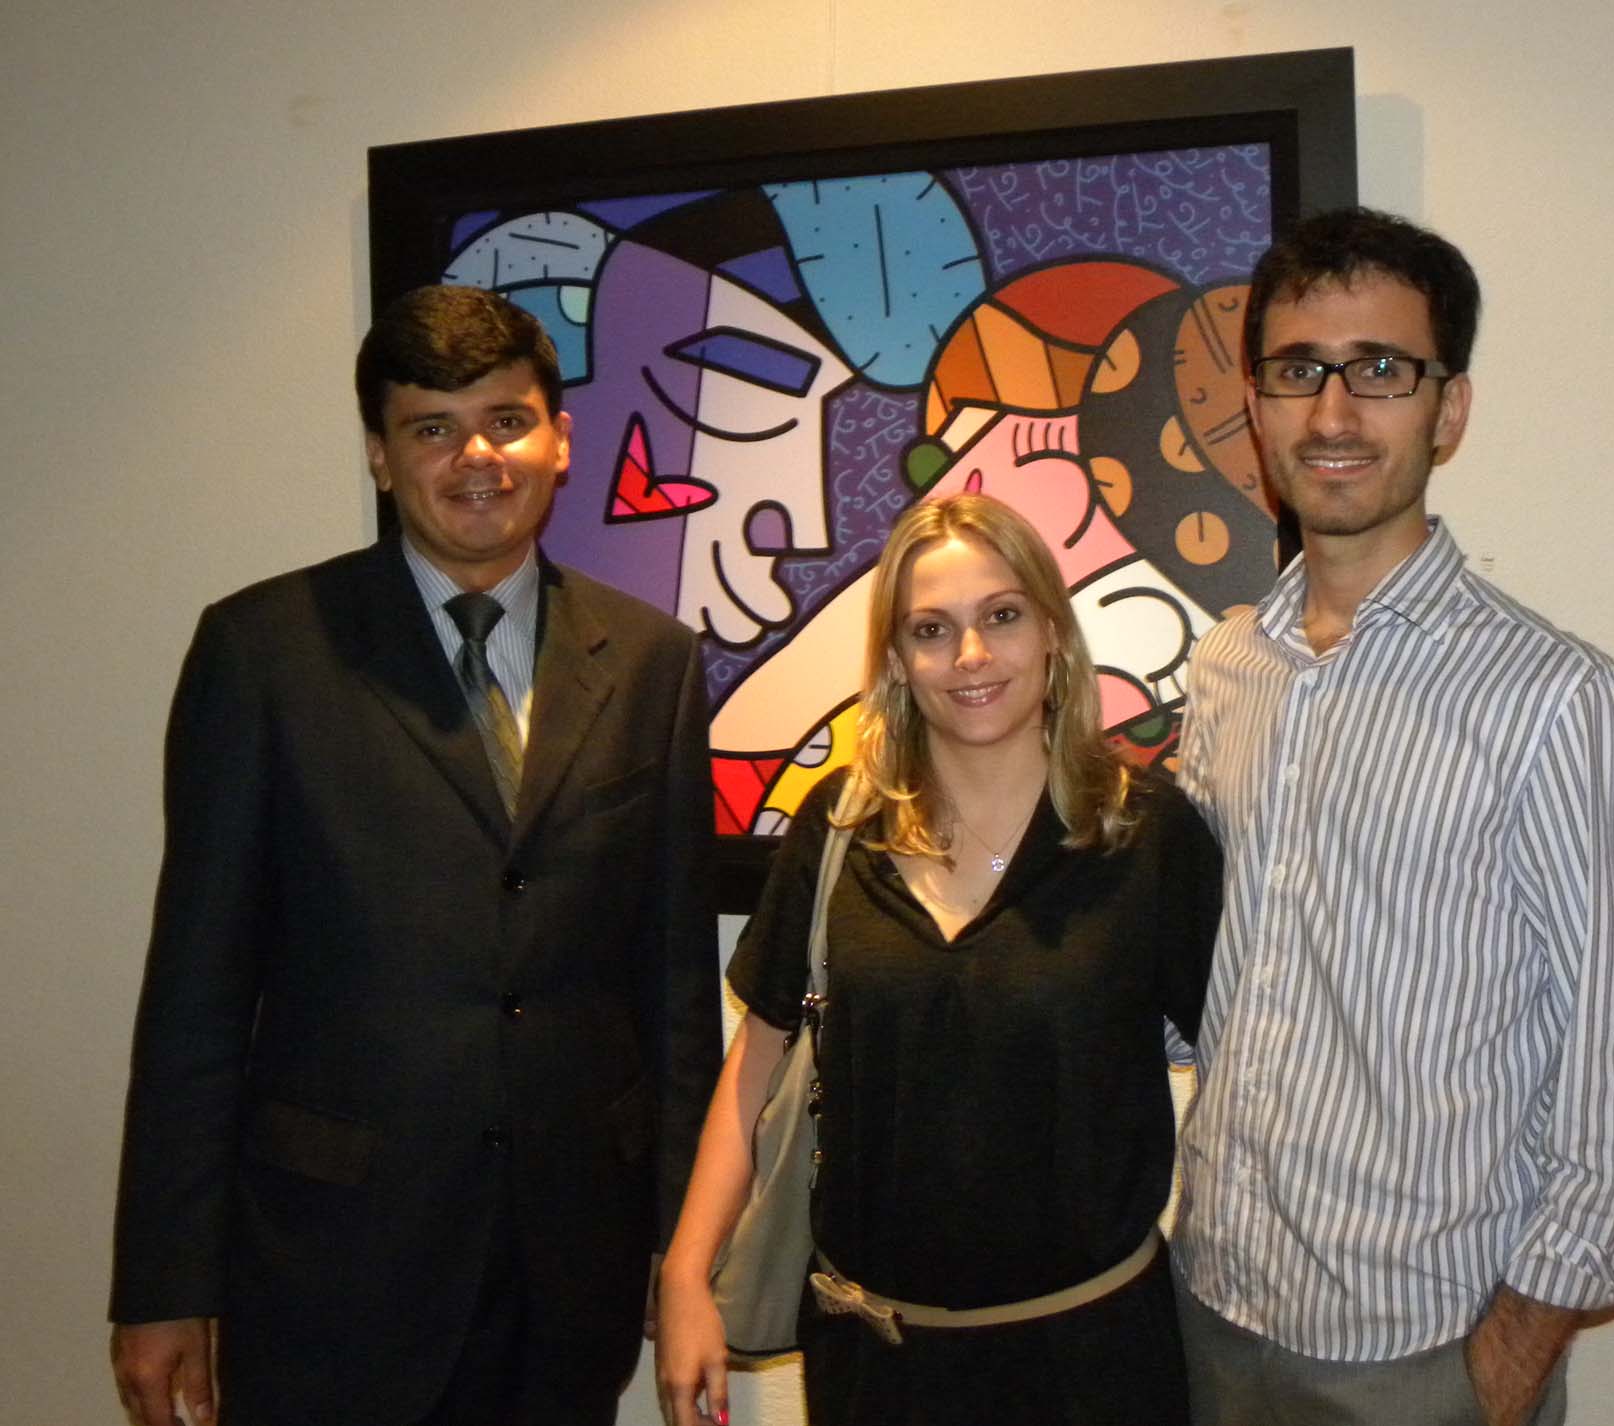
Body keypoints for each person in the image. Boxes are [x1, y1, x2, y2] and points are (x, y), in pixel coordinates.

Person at [108, 286, 724, 1426]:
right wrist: (163, 1283)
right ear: (381, 457)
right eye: (432, 427)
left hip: (571, 1262)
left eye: (506, 421)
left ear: (560, 440)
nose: (476, 457)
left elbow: (676, 985)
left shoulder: (654, 662)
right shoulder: (263, 654)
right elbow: (196, 993)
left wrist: (684, 1244)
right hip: (331, 1264)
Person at [1171, 206, 1614, 1426]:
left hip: (1424, 1353)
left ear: (1448, 410)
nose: (1333, 414)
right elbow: (1197, 983)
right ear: (1255, 406)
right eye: (1298, 370)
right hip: (1210, 1310)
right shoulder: (1227, 670)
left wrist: (1502, 1368)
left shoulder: (1556, 701)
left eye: (1381, 371)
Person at [655, 492, 1223, 1426]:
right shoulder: (840, 827)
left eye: (1001, 616)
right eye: (931, 629)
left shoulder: (1146, 836)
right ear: (894, 659)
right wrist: (685, 1273)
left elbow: (1244, 1077)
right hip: (876, 1366)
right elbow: (758, 1058)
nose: (969, 655)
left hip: (1093, 1365)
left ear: (1052, 631)